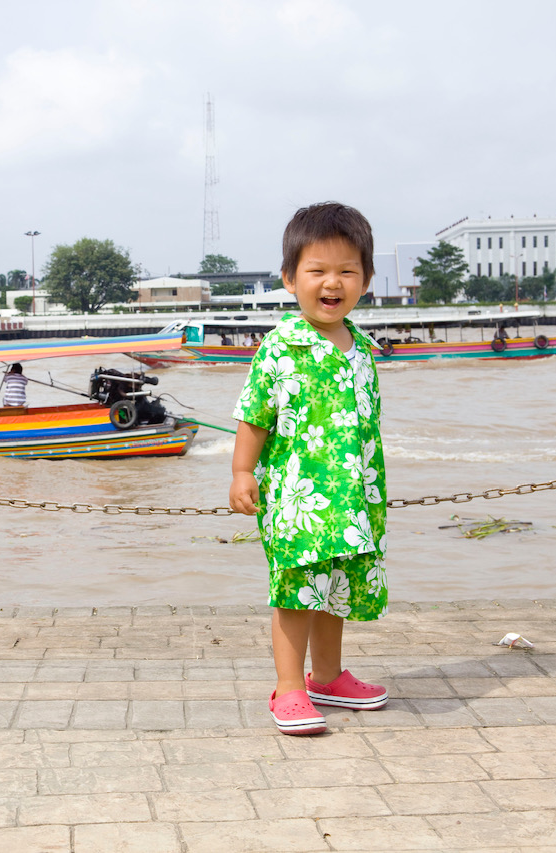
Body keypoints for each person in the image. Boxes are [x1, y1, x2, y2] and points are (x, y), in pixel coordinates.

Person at [229, 202, 389, 736]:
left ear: (365, 279)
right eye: (317, 270)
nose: (332, 282)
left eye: (347, 270)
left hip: (353, 495)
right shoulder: (280, 346)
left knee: (335, 587)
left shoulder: (362, 347)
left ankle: (328, 676)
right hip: (298, 496)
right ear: (289, 279)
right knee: (297, 590)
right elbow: (253, 416)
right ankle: (289, 688)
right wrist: (241, 473)